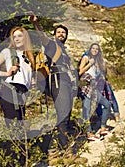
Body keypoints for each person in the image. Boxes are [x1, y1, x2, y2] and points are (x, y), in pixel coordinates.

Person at [28, 14, 78, 151]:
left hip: (67, 81)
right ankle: (64, 149)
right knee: (62, 112)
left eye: (64, 32)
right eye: (59, 32)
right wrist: (36, 23)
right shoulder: (52, 45)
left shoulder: (65, 51)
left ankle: (60, 146)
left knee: (66, 113)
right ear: (55, 35)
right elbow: (42, 37)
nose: (61, 34)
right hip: (57, 78)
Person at [0, 27, 35, 126]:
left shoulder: (28, 57)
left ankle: (14, 142)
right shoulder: (7, 52)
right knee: (13, 123)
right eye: (14, 37)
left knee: (20, 123)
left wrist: (31, 80)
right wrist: (7, 74)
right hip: (9, 89)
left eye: (20, 36)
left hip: (22, 93)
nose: (16, 39)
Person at [78, 43, 111, 141]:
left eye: (97, 49)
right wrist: (90, 64)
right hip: (85, 85)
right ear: (90, 49)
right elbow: (80, 72)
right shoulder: (86, 58)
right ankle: (89, 133)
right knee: (86, 110)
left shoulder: (97, 61)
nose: (95, 50)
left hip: (94, 86)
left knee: (107, 104)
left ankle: (103, 127)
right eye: (93, 48)